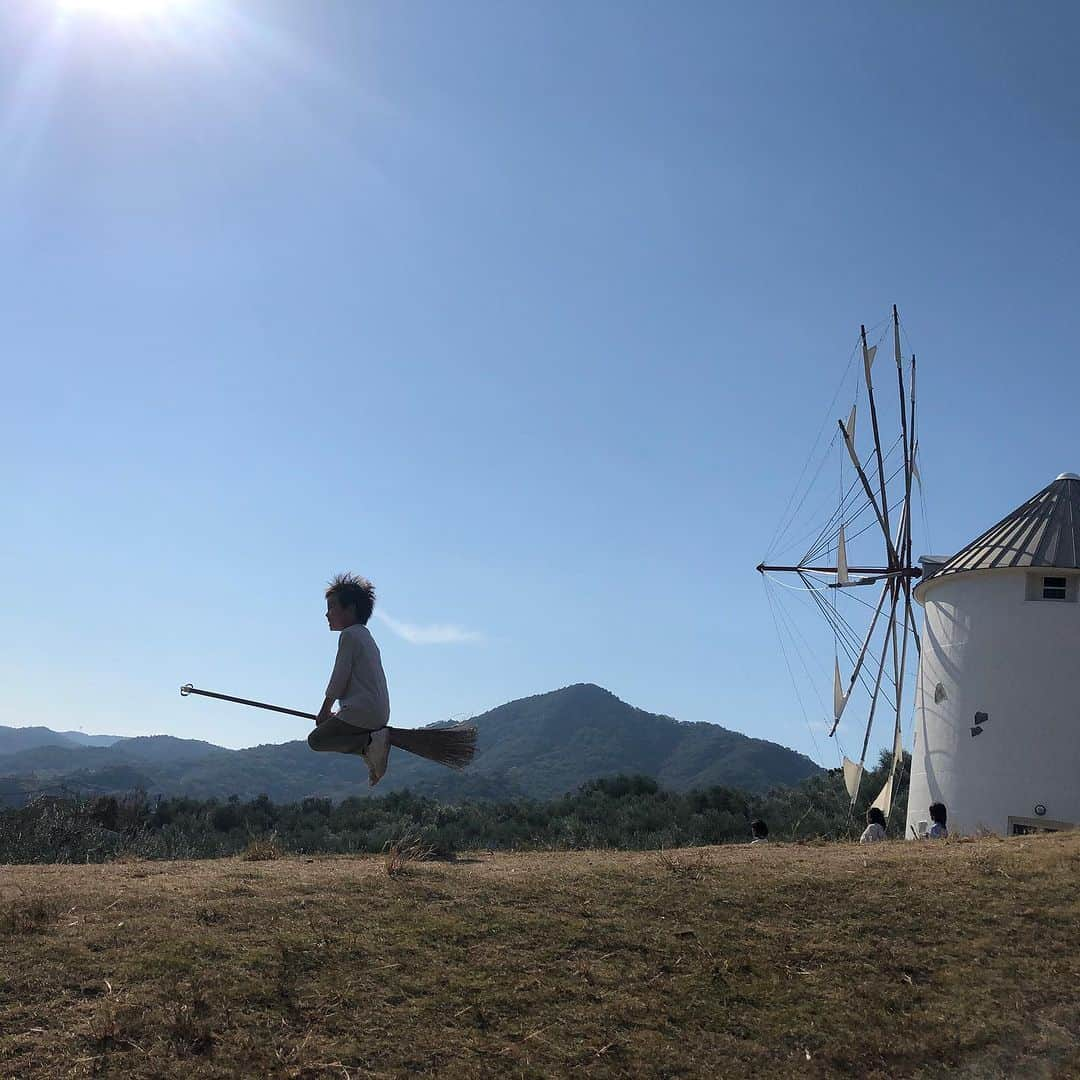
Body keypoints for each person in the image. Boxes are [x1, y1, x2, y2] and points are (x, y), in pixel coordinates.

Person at [307, 573, 392, 786]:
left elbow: (339, 677)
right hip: (377, 712)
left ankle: (369, 745)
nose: (327, 614)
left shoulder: (349, 635)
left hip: (363, 712)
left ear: (351, 608)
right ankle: (370, 744)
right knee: (329, 734)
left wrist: (325, 711)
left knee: (317, 740)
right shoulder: (366, 636)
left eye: (332, 606)